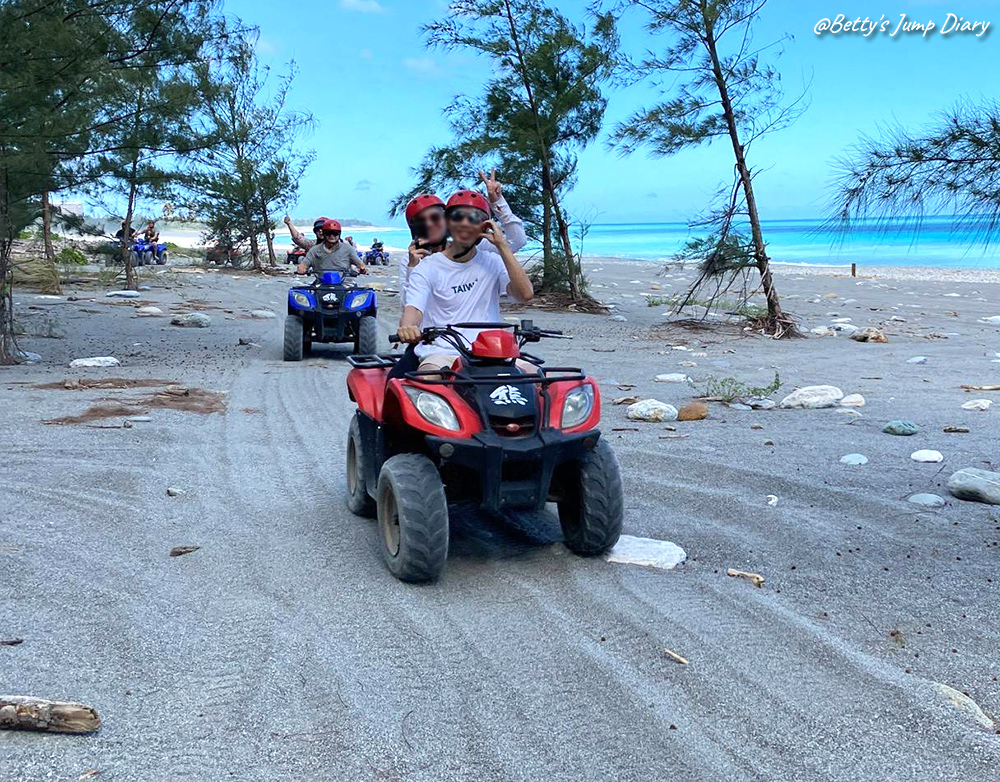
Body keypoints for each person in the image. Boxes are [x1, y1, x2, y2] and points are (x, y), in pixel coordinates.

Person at [397, 190, 533, 373]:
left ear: (484, 226)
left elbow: (524, 294)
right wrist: (408, 327)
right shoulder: (425, 266)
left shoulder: (492, 259)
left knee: (536, 380)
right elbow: (413, 307)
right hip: (443, 351)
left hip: (493, 350)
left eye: (474, 218)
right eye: (458, 217)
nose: (465, 224)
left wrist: (502, 246)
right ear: (448, 222)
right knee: (426, 380)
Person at [400, 169, 526, 304]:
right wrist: (412, 268)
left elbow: (517, 240)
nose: (430, 224)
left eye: (435, 218)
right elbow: (408, 305)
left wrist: (497, 203)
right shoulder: (411, 259)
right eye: (421, 221)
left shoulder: (475, 249)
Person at [298, 219, 368, 276]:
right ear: (324, 234)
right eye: (328, 233)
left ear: (339, 235)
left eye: (335, 233)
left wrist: (362, 269)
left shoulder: (348, 249)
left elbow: (360, 264)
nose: (332, 236)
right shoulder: (314, 250)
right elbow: (304, 264)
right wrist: (302, 268)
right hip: (321, 284)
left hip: (345, 283)